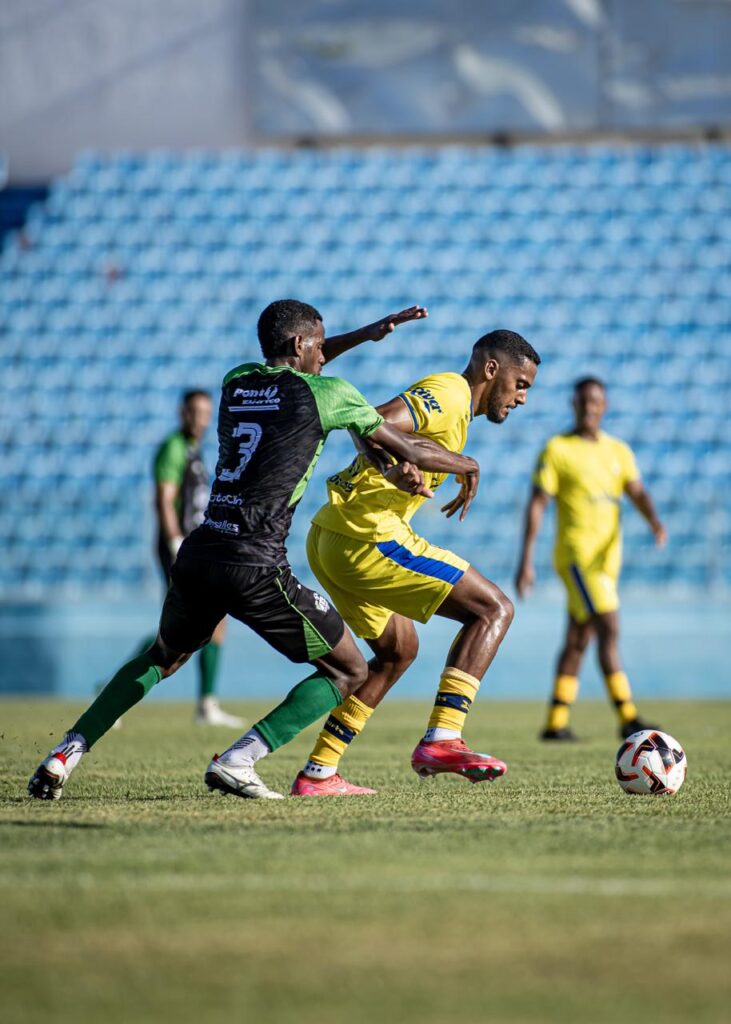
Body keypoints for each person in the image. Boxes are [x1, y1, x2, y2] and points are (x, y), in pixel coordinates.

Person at [28, 300, 476, 802]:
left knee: (163, 656)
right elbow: (408, 447)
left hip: (201, 551)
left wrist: (363, 335)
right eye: (320, 344)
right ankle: (239, 759)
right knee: (350, 670)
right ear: (301, 344)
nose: (325, 353)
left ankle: (66, 751)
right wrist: (467, 464)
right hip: (256, 563)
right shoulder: (333, 394)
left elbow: (295, 370)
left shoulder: (237, 381)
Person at [276, 329, 540, 796]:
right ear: (491, 369)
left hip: (331, 537)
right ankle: (443, 738)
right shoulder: (450, 393)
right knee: (493, 609)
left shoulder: (457, 412)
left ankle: (318, 772)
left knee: (397, 652)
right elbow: (370, 420)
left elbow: (380, 430)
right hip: (367, 536)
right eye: (520, 384)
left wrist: (444, 461)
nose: (522, 398)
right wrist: (410, 464)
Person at [514, 376, 668, 741]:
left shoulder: (618, 451)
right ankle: (628, 717)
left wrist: (654, 521)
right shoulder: (558, 449)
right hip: (576, 558)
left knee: (578, 638)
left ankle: (555, 723)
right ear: (574, 405)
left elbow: (636, 491)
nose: (589, 407)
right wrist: (526, 560)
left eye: (595, 401)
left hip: (607, 561)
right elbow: (538, 503)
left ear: (604, 406)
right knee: (608, 627)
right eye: (582, 401)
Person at [150, 390, 241, 727]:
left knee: (212, 620)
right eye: (194, 411)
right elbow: (164, 499)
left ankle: (207, 703)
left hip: (196, 546)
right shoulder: (174, 448)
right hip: (180, 547)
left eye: (205, 412)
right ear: (183, 413)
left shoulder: (194, 451)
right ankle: (205, 704)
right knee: (181, 627)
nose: (200, 419)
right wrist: (175, 541)